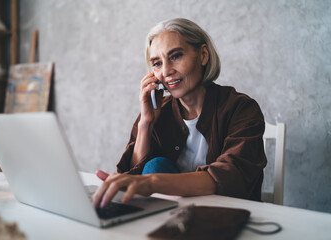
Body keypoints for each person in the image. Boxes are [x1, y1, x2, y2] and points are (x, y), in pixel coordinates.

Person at [92, 18, 267, 208]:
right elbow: (134, 178)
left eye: (175, 56)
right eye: (157, 63)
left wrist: (152, 183)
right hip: (174, 218)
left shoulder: (241, 109)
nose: (166, 71)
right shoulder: (159, 111)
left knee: (155, 170)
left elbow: (233, 176)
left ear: (203, 55)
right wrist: (146, 123)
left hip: (228, 216)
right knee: (154, 166)